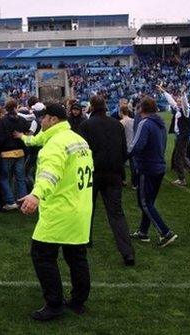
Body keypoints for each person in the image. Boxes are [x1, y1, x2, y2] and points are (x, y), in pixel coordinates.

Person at [18, 103, 93, 321]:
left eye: (43, 118)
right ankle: (79, 301)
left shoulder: (55, 145)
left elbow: (49, 174)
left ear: (52, 119)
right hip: (80, 207)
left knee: (42, 255)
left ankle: (54, 303)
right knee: (76, 256)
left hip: (60, 210)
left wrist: (36, 195)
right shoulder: (78, 140)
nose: (40, 121)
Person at [78, 96, 135, 266]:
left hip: (93, 173)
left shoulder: (85, 125)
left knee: (88, 208)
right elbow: (124, 150)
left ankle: (84, 240)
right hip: (114, 174)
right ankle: (128, 253)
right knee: (116, 214)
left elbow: (81, 152)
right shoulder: (116, 124)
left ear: (92, 107)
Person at [128, 97, 178, 247]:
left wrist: (123, 154)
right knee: (149, 201)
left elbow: (136, 145)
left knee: (144, 202)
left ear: (141, 109)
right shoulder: (159, 123)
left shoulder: (145, 123)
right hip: (158, 166)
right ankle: (143, 231)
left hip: (147, 167)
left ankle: (165, 232)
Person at [162, 85, 190, 186]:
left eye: (180, 101)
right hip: (181, 136)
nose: (178, 102)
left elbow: (184, 103)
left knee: (179, 157)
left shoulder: (186, 110)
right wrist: (163, 91)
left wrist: (183, 94)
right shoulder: (178, 108)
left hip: (183, 136)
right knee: (181, 157)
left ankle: (187, 177)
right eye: (178, 101)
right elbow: (171, 101)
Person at [0, 99, 31, 211]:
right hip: (20, 152)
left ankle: (10, 201)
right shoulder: (22, 120)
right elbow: (26, 133)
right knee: (20, 178)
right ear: (16, 107)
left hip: (6, 153)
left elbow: (0, 138)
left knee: (5, 178)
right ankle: (22, 201)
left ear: (6, 108)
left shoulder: (2, 121)